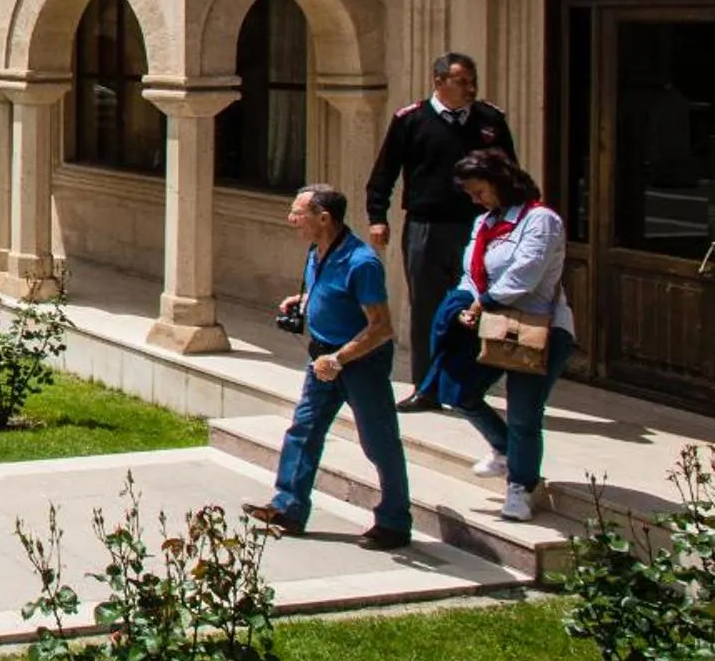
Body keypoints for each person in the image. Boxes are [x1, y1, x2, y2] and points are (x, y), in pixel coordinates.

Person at [244, 183, 413, 551]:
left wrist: (339, 359)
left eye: (298, 213)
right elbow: (332, 294)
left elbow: (381, 326)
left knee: (379, 441)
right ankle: (288, 506)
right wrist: (303, 301)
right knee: (303, 430)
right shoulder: (316, 251)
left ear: (324, 217)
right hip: (322, 359)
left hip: (357, 363)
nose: (291, 220)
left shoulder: (362, 262)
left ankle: (395, 521)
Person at [365, 51, 517, 407]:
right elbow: (384, 172)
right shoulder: (411, 120)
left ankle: (468, 386)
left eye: (472, 80)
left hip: (478, 227)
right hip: (426, 227)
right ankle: (427, 387)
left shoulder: (489, 121)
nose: (470, 88)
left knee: (475, 306)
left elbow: (510, 174)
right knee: (427, 309)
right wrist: (377, 216)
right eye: (461, 81)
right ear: (439, 82)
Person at [434, 149, 576, 523]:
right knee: (460, 392)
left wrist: (481, 303)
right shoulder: (483, 224)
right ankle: (505, 450)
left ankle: (521, 487)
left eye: (479, 192)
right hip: (491, 324)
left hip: (538, 328)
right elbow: (472, 272)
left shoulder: (540, 220)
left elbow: (525, 275)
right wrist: (463, 303)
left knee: (524, 413)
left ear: (499, 182)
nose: (475, 200)